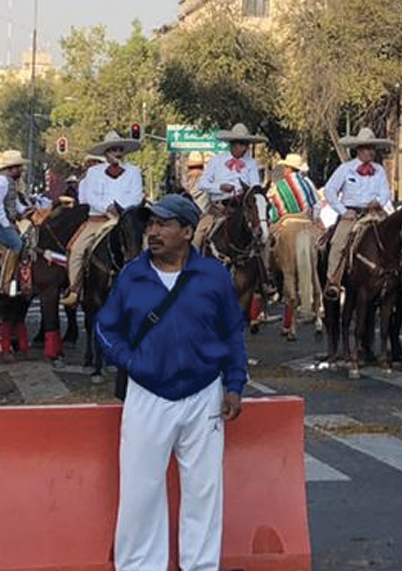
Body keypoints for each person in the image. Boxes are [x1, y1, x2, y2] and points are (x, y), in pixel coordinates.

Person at [93, 194, 247, 571]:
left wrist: (234, 384)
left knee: (204, 492)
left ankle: (201, 566)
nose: (153, 232)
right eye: (151, 225)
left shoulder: (212, 275)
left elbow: (233, 333)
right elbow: (105, 327)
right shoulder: (132, 274)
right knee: (140, 493)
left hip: (204, 395)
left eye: (163, 224)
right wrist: (130, 361)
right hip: (147, 395)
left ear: (188, 232)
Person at [65, 131, 147, 307]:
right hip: (99, 219)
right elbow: (90, 196)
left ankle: (150, 286)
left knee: (147, 246)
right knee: (77, 249)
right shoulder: (94, 172)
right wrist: (107, 208)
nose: (117, 153)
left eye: (119, 149)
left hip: (126, 219)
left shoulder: (134, 172)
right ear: (105, 153)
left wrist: (122, 211)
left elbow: (136, 195)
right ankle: (74, 289)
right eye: (113, 150)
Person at [323, 128, 395, 293]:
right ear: (359, 150)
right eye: (368, 148)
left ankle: (401, 277)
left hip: (375, 213)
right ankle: (333, 279)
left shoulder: (380, 170)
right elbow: (330, 190)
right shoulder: (345, 169)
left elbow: (386, 192)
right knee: (338, 242)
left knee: (397, 237)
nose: (371, 152)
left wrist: (379, 201)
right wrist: (343, 211)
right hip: (352, 214)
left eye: (373, 149)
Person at [0, 151, 35, 296]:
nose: (21, 170)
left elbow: (15, 203)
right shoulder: (0, 181)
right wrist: (6, 223)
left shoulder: (10, 182)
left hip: (7, 221)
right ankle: (5, 283)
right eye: (18, 167)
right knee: (17, 244)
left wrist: (27, 210)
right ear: (10, 168)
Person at [195, 124, 265, 206]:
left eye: (246, 145)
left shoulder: (251, 163)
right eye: (241, 144)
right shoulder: (216, 160)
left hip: (244, 206)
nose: (245, 148)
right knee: (205, 219)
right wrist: (220, 187)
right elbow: (202, 183)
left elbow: (255, 186)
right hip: (220, 206)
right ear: (233, 144)